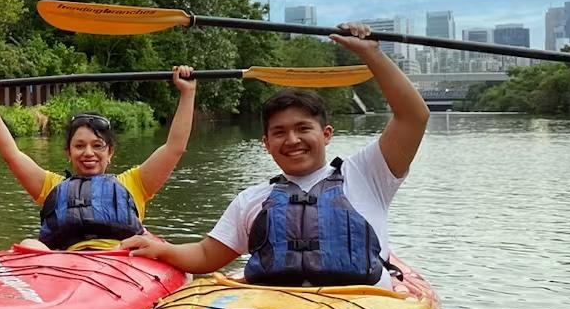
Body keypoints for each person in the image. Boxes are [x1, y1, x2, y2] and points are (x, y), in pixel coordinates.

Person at [123, 23, 429, 288]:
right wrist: (160, 250)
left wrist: (371, 54)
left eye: (302, 128)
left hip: (361, 306)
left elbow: (413, 117)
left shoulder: (368, 173)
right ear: (266, 143)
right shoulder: (252, 199)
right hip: (276, 307)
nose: (292, 139)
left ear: (326, 134)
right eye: (279, 132)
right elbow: (206, 255)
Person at [0, 67, 198, 251]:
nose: (88, 153)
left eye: (98, 146)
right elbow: (12, 155)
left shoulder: (134, 184)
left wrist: (187, 94)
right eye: (79, 146)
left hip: (119, 259)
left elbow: (173, 148)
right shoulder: (52, 186)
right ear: (68, 152)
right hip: (65, 267)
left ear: (110, 153)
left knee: (140, 245)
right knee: (29, 244)